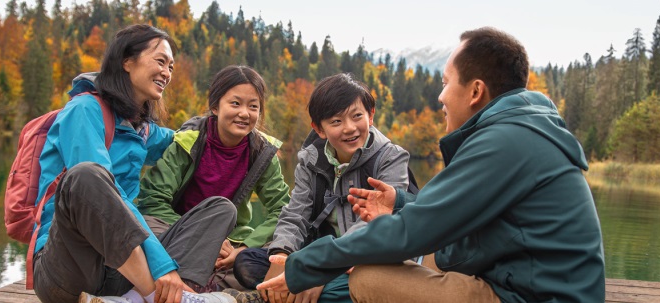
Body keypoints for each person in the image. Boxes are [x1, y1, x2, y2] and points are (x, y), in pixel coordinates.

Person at [257, 27, 605, 302]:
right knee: (426, 256)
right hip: (533, 279)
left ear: (475, 92)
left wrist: (302, 266)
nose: (440, 96)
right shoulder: (517, 130)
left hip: (535, 296)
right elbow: (447, 215)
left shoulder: (504, 142)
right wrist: (403, 202)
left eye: (445, 82)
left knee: (368, 278)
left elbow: (410, 232)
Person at [30, 24, 236, 303]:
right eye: (160, 61)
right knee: (88, 175)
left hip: (119, 271)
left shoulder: (140, 130)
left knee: (220, 209)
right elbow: (99, 192)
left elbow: (179, 140)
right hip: (67, 272)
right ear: (127, 61)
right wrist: (162, 265)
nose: (167, 72)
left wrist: (222, 124)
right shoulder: (83, 111)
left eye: (171, 67)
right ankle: (155, 295)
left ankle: (164, 294)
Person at [247, 73, 412, 303]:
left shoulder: (390, 158)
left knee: (350, 286)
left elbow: (374, 226)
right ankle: (295, 288)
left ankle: (294, 291)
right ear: (319, 128)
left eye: (357, 116)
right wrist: (281, 256)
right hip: (318, 250)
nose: (350, 128)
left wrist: (320, 271)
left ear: (371, 115)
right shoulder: (311, 159)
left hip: (367, 256)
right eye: (336, 121)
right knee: (248, 262)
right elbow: (296, 214)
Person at [136, 65, 291, 298]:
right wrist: (205, 238)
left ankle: (201, 286)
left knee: (278, 256)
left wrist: (244, 247)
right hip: (176, 232)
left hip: (230, 243)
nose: (244, 113)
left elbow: (282, 208)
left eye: (253, 106)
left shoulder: (262, 152)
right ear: (215, 106)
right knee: (142, 231)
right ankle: (205, 287)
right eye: (235, 103)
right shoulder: (188, 141)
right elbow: (152, 200)